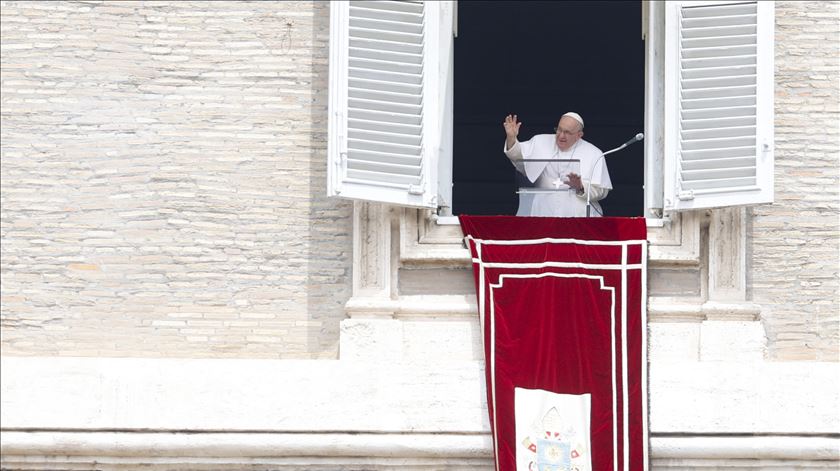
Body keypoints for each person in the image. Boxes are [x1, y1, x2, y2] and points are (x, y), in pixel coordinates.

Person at [503, 112, 612, 217]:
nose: (561, 136)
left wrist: (581, 186)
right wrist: (511, 138)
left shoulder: (594, 153)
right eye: (559, 130)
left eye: (567, 132)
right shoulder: (540, 141)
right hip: (543, 210)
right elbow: (520, 160)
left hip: (578, 215)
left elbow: (602, 191)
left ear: (579, 135)